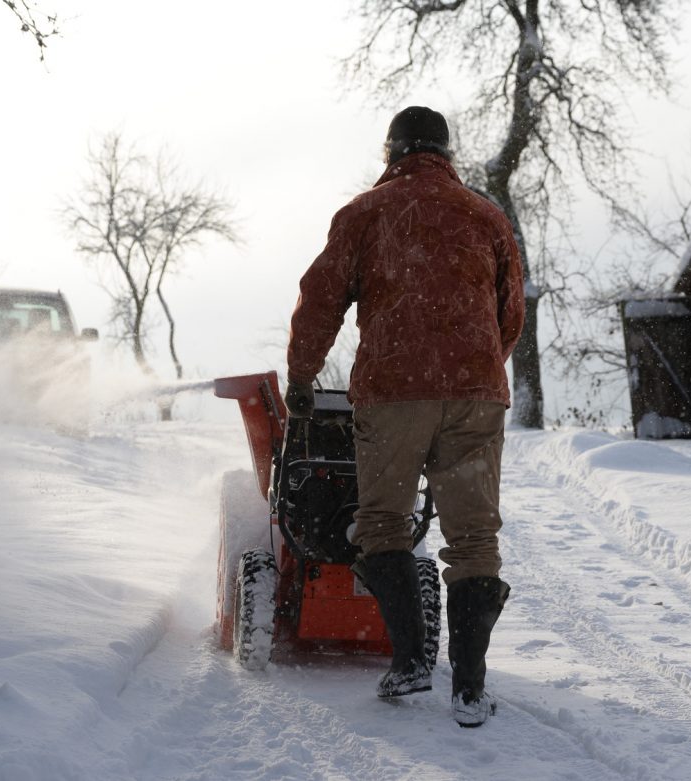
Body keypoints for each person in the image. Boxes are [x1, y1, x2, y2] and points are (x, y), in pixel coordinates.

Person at [285, 106, 525, 727]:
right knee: (475, 538)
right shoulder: (485, 214)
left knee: (384, 521)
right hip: (476, 392)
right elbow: (511, 310)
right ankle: (469, 689)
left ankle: (412, 662)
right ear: (447, 154)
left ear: (391, 152)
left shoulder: (365, 212)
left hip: (393, 390)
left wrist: (302, 377)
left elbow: (321, 299)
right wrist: (477, 368)